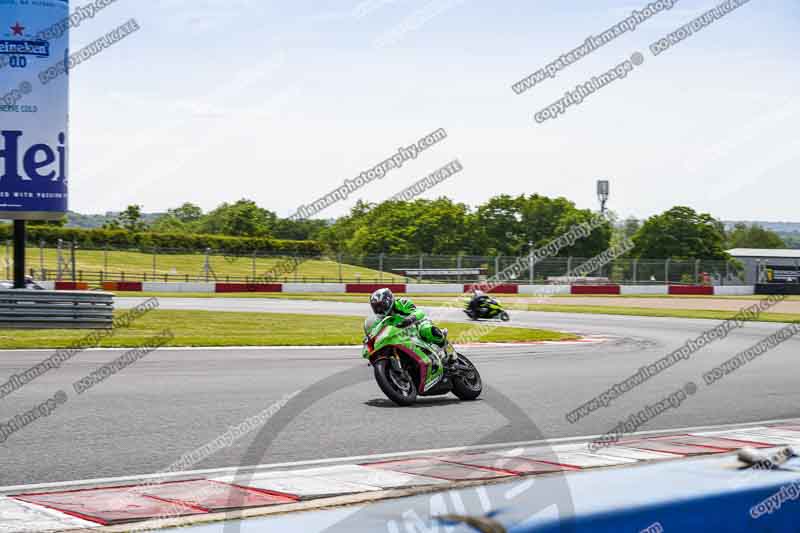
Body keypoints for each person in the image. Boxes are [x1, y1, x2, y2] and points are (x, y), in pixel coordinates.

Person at [369, 288, 455, 363]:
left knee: (427, 330)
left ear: (388, 300)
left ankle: (449, 351)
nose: (379, 309)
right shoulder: (380, 320)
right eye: (376, 307)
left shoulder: (402, 303)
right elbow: (374, 332)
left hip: (417, 325)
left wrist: (410, 319)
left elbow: (419, 312)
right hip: (401, 336)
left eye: (381, 305)